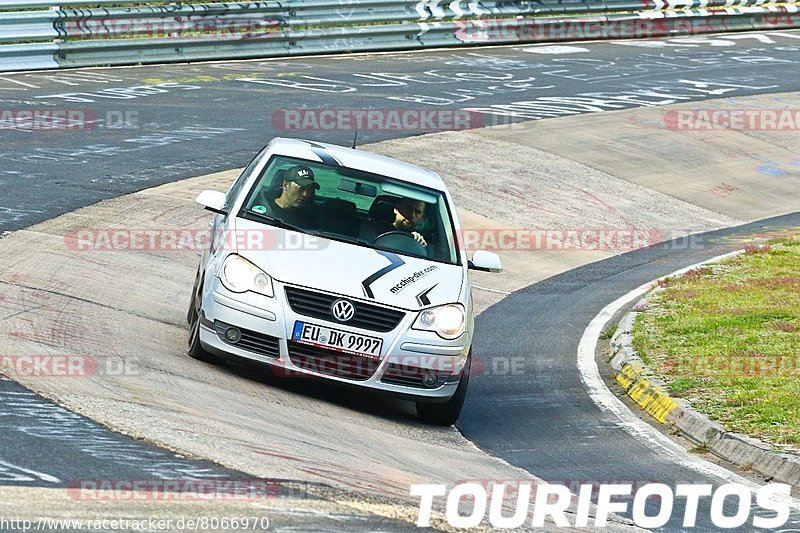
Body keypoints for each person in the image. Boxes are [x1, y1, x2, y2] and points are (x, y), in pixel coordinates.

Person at [363, 197, 428, 248]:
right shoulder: (375, 228)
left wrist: (420, 246)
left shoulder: (420, 239)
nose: (412, 215)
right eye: (408, 208)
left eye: (418, 212)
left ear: (421, 218)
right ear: (396, 209)